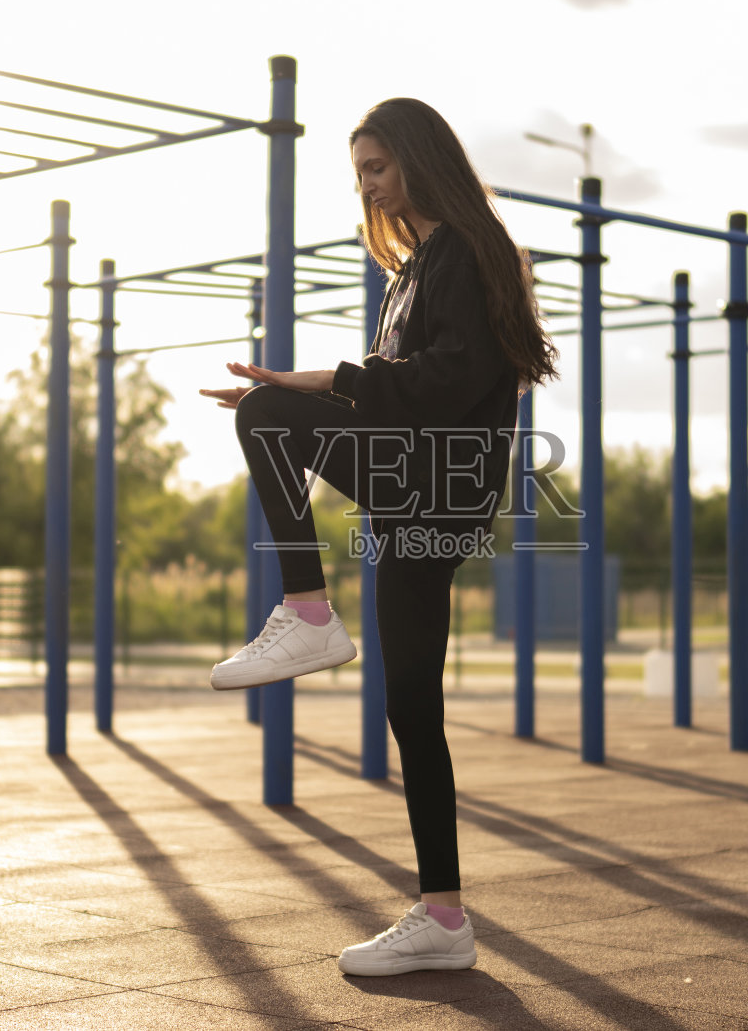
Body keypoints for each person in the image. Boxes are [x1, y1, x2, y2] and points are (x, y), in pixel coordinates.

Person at [198, 97, 558, 976]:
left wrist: (304, 387)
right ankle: (444, 915)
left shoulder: (464, 254)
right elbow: (398, 385)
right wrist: (308, 393)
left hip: (441, 478)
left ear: (419, 159)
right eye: (359, 172)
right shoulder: (414, 270)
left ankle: (309, 611)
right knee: (411, 705)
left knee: (273, 414)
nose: (368, 186)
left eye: (377, 168)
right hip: (415, 492)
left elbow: (441, 381)